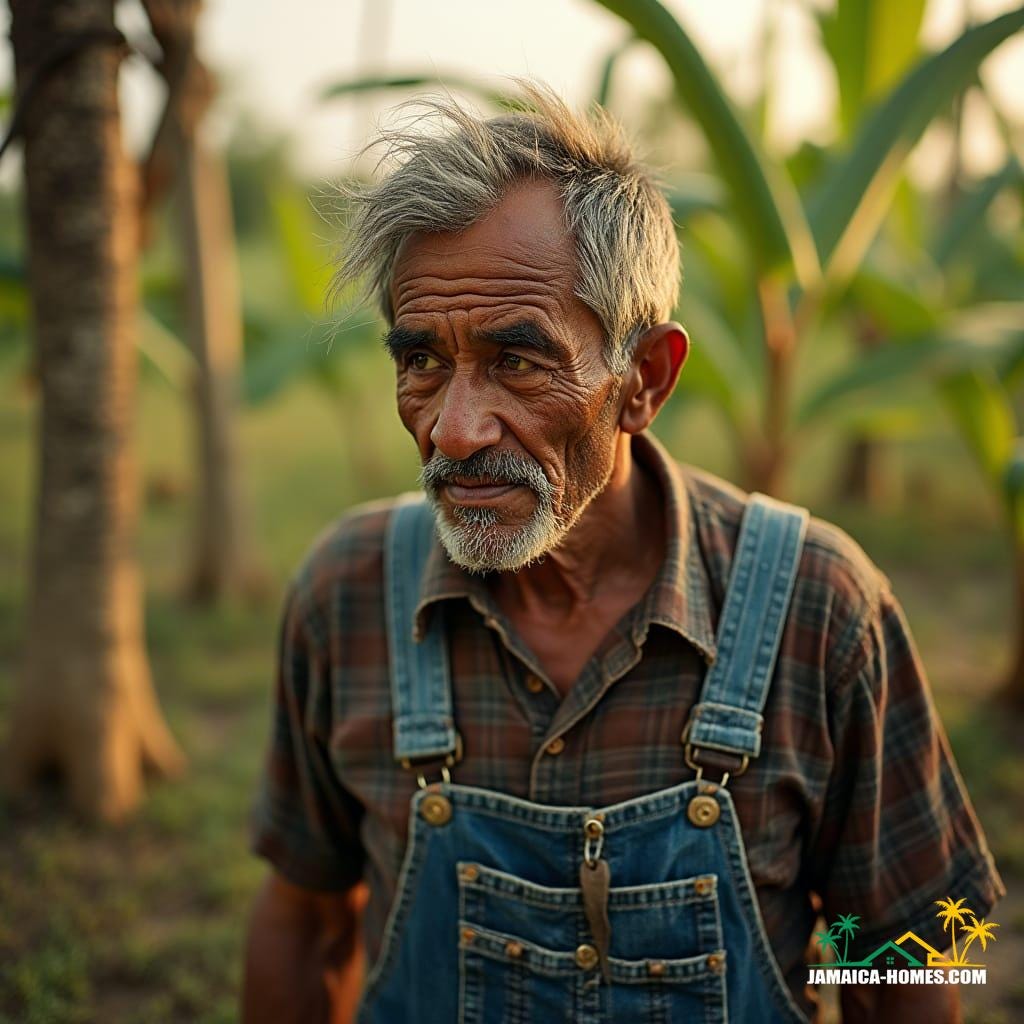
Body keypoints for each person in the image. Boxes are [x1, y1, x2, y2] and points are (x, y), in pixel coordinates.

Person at [241, 84, 1003, 1023]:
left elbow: (908, 962)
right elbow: (305, 922)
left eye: (518, 361)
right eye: (422, 361)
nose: (454, 428)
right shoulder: (348, 595)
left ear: (644, 380)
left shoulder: (820, 609)